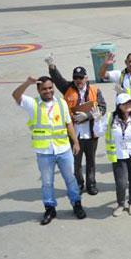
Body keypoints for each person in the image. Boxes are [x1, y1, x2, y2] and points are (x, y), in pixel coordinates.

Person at [12, 76, 87, 225]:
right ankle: (50, 208)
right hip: (44, 152)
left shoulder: (61, 103)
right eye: (44, 89)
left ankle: (76, 204)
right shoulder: (32, 104)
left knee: (71, 179)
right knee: (47, 183)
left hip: (63, 149)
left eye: (50, 88)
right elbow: (16, 95)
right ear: (39, 90)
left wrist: (76, 142)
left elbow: (68, 124)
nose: (48, 91)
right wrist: (27, 82)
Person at [45, 56, 107, 196]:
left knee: (91, 161)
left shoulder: (95, 91)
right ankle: (79, 183)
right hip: (74, 135)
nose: (78, 80)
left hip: (91, 133)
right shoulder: (68, 88)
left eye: (80, 78)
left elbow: (103, 107)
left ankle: (91, 184)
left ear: (86, 78)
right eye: (75, 78)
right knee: (76, 162)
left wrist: (89, 116)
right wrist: (51, 66)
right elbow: (57, 78)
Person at [98, 93, 131, 216]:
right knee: (121, 183)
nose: (128, 105)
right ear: (119, 105)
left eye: (130, 102)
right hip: (118, 155)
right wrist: (97, 121)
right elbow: (98, 132)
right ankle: (121, 204)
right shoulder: (111, 118)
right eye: (125, 103)